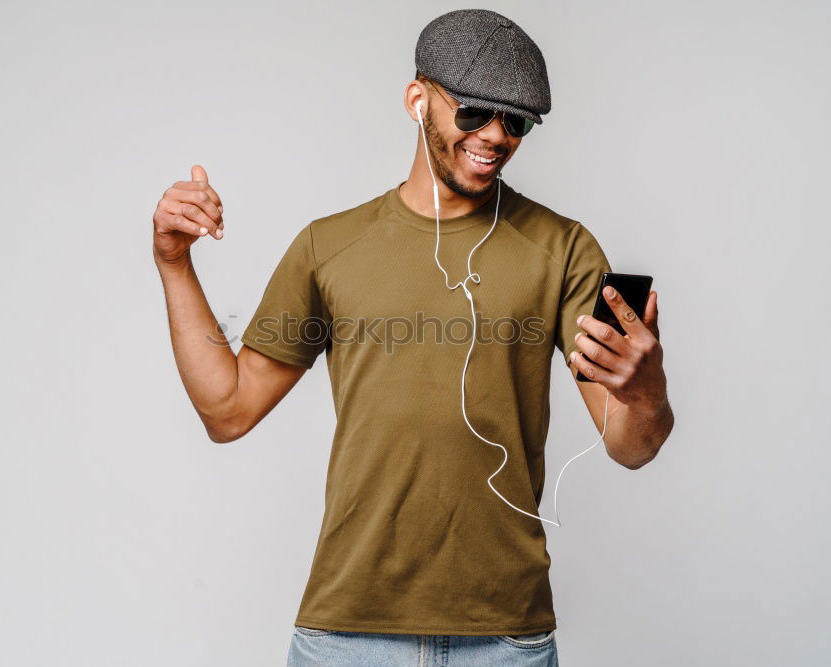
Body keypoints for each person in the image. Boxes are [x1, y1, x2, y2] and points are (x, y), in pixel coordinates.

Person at [151, 8, 673, 666]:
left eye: (517, 122)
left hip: (504, 639)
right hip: (347, 635)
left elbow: (632, 446)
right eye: (476, 112)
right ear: (417, 100)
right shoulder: (329, 246)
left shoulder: (563, 249)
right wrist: (174, 262)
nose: (495, 136)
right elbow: (227, 410)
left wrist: (646, 389)